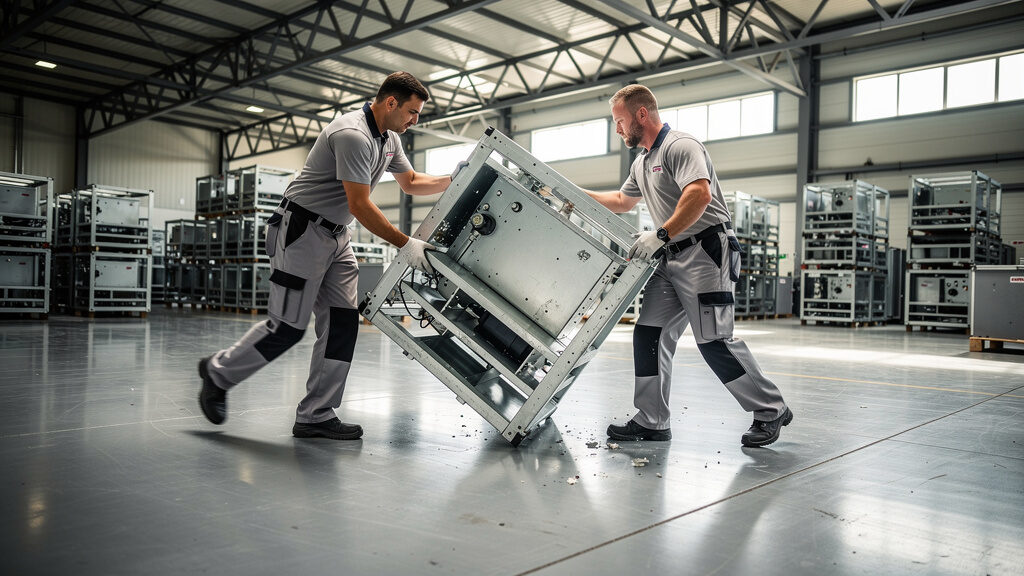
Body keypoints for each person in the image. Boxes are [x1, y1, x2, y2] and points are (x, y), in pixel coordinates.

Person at [198, 71, 454, 440]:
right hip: (302, 231)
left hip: (337, 236)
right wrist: (405, 243)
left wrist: (452, 177)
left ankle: (316, 414)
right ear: (391, 102)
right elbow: (361, 204)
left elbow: (411, 182)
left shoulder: (390, 139)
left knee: (342, 322)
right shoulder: (352, 135)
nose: (415, 120)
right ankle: (217, 372)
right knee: (286, 327)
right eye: (412, 112)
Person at [586, 84, 793, 447]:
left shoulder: (680, 146)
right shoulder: (642, 161)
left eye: (619, 121)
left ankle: (770, 408)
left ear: (641, 115)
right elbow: (621, 200)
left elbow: (699, 193)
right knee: (648, 333)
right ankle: (652, 420)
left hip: (705, 251)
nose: (617, 130)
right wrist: (568, 193)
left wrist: (661, 233)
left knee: (713, 339)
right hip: (670, 257)